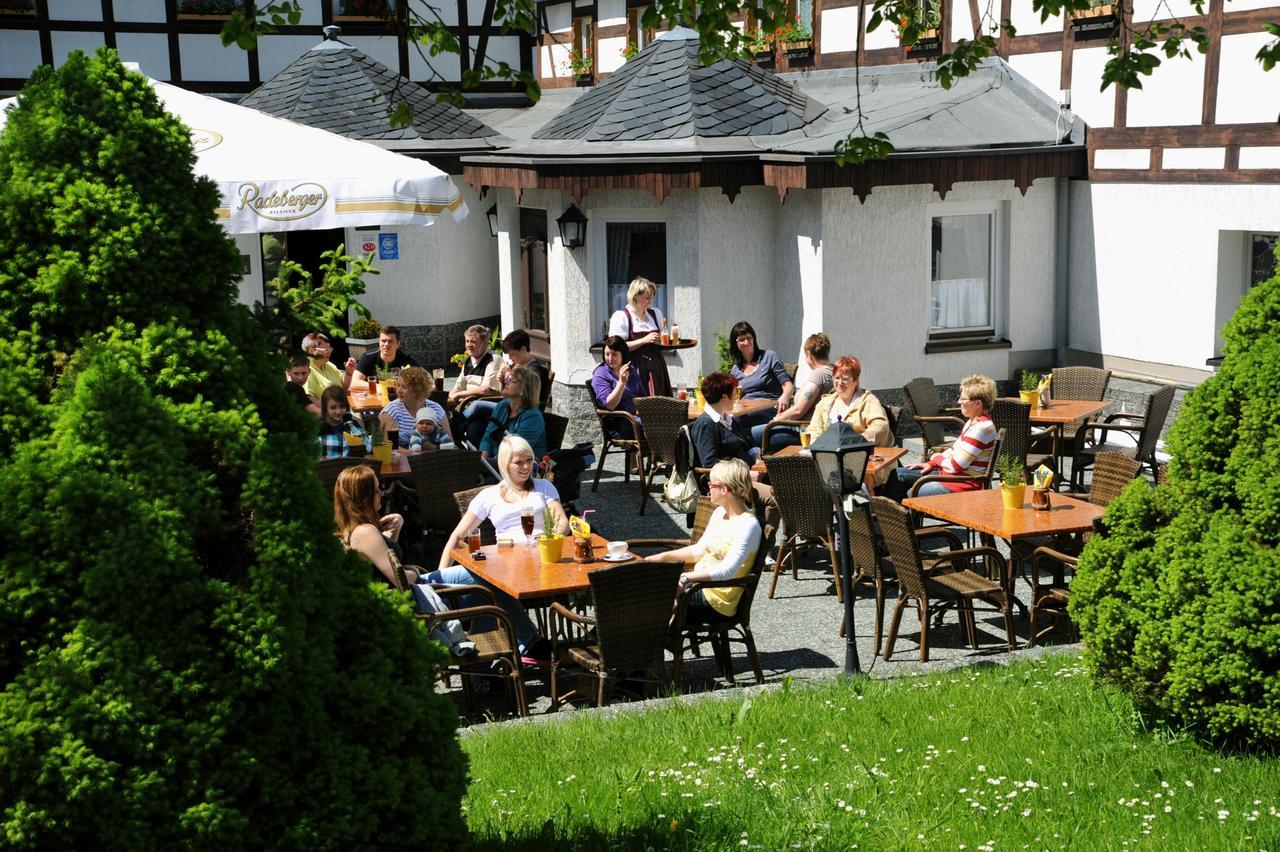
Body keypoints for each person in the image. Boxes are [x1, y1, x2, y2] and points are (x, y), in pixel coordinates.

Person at [430, 435, 569, 660]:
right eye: (519, 462)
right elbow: (458, 535)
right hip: (503, 566)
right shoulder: (489, 495)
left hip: (539, 562)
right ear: (505, 464)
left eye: (529, 460)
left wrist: (545, 543)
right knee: (481, 590)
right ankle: (515, 652)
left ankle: (520, 649)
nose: (526, 467)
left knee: (484, 586)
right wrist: (440, 575)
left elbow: (561, 523)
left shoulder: (543, 487)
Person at [333, 466, 474, 656]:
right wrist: (415, 572)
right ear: (364, 498)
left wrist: (394, 532)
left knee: (479, 576)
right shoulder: (364, 532)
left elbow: (385, 563)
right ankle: (490, 660)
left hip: (416, 590)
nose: (382, 493)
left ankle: (486, 665)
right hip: (415, 598)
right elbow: (399, 580)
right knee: (485, 586)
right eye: (376, 490)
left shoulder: (355, 530)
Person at [643, 458, 762, 623]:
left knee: (643, 599)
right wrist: (661, 557)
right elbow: (699, 550)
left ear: (724, 490)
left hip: (716, 600)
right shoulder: (720, 513)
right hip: (696, 587)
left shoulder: (748, 525)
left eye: (711, 484)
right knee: (639, 586)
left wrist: (686, 578)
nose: (707, 487)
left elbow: (728, 571)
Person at [882, 373, 999, 500]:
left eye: (963, 399)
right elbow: (954, 450)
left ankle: (899, 517)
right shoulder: (972, 422)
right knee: (897, 474)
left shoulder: (981, 430)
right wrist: (931, 464)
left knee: (910, 491)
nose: (959, 401)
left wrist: (936, 458)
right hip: (951, 477)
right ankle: (892, 517)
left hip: (961, 486)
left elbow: (955, 466)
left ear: (978, 404)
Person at [689, 372, 780, 531]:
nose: (736, 398)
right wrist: (743, 474)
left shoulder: (726, 418)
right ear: (724, 397)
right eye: (734, 393)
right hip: (729, 481)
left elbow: (746, 440)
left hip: (748, 472)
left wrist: (757, 457)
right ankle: (762, 549)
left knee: (785, 484)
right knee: (776, 497)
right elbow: (709, 462)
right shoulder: (707, 424)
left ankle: (757, 537)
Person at [756, 332, 833, 449]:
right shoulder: (833, 372)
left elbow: (799, 410)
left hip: (801, 431)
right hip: (809, 428)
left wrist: (777, 419)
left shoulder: (819, 374)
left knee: (748, 434)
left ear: (809, 355)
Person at [607, 277, 671, 397]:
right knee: (642, 405)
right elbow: (616, 348)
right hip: (635, 369)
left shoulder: (655, 313)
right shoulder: (621, 316)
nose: (650, 301)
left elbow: (662, 338)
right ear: (635, 296)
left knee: (660, 404)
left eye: (652, 297)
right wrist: (644, 340)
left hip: (657, 367)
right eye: (647, 298)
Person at [728, 320, 795, 430]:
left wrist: (784, 397)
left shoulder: (769, 357)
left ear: (754, 338)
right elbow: (732, 396)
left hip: (768, 416)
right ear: (736, 343)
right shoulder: (736, 369)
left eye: (749, 338)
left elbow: (788, 385)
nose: (746, 342)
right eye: (741, 340)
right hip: (744, 416)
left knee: (731, 435)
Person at [478, 363, 547, 461]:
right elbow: (488, 437)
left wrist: (486, 465)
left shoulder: (533, 417)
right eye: (509, 378)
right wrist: (483, 461)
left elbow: (516, 451)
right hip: (498, 461)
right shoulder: (502, 406)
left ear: (523, 390)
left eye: (513, 381)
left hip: (522, 467)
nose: (507, 381)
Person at [448, 324, 501, 446]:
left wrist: (459, 394)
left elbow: (486, 390)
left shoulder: (493, 359)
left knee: (468, 428)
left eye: (473, 341)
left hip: (486, 409)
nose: (468, 345)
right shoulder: (468, 361)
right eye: (467, 341)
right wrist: (449, 397)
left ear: (485, 343)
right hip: (467, 407)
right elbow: (457, 387)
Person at [378, 366, 453, 451]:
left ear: (418, 390)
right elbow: (388, 445)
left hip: (433, 459)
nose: (399, 390)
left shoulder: (436, 409)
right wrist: (413, 455)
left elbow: (449, 443)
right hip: (402, 460)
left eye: (404, 387)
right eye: (398, 385)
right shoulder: (392, 410)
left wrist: (433, 448)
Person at [590, 334, 645, 438]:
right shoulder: (600, 374)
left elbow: (642, 396)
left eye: (614, 354)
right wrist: (621, 382)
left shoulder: (630, 369)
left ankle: (661, 453)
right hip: (619, 423)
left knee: (666, 421)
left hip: (635, 418)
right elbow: (610, 405)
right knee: (657, 427)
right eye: (607, 354)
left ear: (623, 354)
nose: (610, 358)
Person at [351, 325, 418, 385]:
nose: (386, 344)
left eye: (390, 341)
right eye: (383, 341)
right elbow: (354, 382)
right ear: (379, 342)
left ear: (398, 344)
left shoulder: (404, 358)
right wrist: (380, 388)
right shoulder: (368, 357)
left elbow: (424, 378)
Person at [502, 329, 551, 409]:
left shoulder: (533, 372)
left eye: (512, 354)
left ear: (523, 349)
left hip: (518, 411)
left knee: (478, 406)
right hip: (508, 407)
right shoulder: (519, 366)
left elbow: (524, 400)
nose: (510, 358)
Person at [302, 331, 357, 400]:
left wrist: (349, 372)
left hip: (340, 407)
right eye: (325, 350)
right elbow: (308, 398)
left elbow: (343, 387)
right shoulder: (306, 370)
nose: (329, 352)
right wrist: (327, 409)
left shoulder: (329, 364)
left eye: (330, 349)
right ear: (311, 351)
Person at [317, 385, 367, 458]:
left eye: (341, 406)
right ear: (325, 408)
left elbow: (368, 449)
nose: (338, 411)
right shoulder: (319, 430)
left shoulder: (352, 425)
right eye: (333, 408)